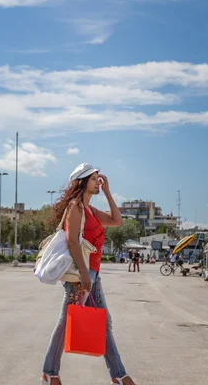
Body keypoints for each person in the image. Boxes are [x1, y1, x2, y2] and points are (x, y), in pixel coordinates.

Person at [41, 163, 136, 385]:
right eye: (94, 179)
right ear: (83, 182)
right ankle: (49, 373)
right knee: (67, 322)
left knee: (104, 322)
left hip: (93, 273)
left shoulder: (90, 210)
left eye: (98, 179)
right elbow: (72, 241)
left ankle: (118, 375)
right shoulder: (76, 207)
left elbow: (116, 221)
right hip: (80, 274)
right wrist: (84, 275)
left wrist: (109, 192)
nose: (98, 182)